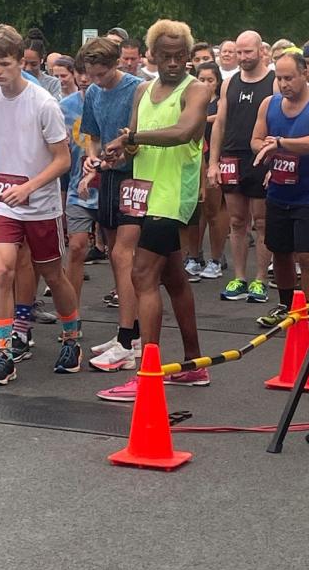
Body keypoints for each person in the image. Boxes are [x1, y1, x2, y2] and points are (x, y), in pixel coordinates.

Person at [97, 20, 210, 401]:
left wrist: (133, 138)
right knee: (174, 279)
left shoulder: (197, 90)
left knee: (143, 275)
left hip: (173, 194)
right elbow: (133, 142)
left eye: (181, 56)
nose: (175, 63)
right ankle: (194, 364)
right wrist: (117, 151)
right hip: (143, 193)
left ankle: (147, 373)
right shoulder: (143, 90)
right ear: (153, 56)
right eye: (167, 56)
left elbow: (184, 132)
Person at [0, 25, 80, 386]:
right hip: (4, 203)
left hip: (42, 204)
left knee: (51, 273)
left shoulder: (43, 104)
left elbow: (62, 159)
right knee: (0, 269)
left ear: (21, 62)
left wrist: (31, 186)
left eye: (4, 64)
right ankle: (5, 352)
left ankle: (71, 337)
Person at [78, 37, 144, 368]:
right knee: (115, 257)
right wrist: (91, 161)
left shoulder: (138, 88)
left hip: (135, 178)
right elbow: (92, 136)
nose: (96, 81)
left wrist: (122, 149)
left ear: (116, 64)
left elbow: (143, 137)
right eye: (91, 75)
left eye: (102, 74)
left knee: (125, 257)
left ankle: (129, 339)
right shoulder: (92, 92)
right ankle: (129, 333)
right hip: (109, 177)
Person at [250, 51, 309, 329]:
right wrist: (266, 147)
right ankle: (285, 305)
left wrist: (280, 143)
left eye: (289, 78)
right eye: (279, 78)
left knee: (307, 255)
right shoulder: (269, 104)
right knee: (279, 252)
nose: (283, 84)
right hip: (279, 192)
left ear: (305, 74)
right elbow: (256, 140)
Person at [206, 30, 275, 303]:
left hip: (260, 158)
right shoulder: (229, 83)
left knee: (261, 222)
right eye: (239, 52)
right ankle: (239, 277)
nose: (243, 57)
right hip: (232, 157)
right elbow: (219, 124)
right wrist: (213, 163)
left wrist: (275, 162)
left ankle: (260, 279)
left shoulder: (272, 82)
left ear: (260, 51)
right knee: (236, 221)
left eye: (248, 52)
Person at [182, 60, 229, 281]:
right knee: (194, 211)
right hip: (193, 157)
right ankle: (194, 256)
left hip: (214, 156)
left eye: (210, 80)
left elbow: (218, 120)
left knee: (213, 210)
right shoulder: (190, 101)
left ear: (217, 82)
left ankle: (217, 259)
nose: (206, 84)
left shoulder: (221, 102)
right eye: (201, 79)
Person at [62, 52, 100, 324]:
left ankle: (129, 318)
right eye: (81, 72)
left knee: (123, 254)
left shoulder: (111, 100)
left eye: (91, 72)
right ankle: (71, 315)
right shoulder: (63, 107)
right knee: (76, 247)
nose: (86, 78)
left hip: (110, 186)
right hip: (78, 188)